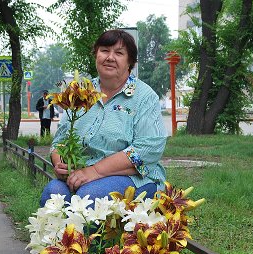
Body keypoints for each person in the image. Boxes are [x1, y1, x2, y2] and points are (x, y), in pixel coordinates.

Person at [39, 29, 168, 208]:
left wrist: (95, 171)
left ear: (130, 61)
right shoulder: (81, 93)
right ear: (96, 55)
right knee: (53, 193)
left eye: (119, 53)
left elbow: (148, 150)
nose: (110, 57)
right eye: (105, 50)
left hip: (133, 179)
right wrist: (60, 163)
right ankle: (60, 237)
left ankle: (85, 237)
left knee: (90, 198)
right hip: (79, 175)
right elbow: (60, 140)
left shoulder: (144, 97)